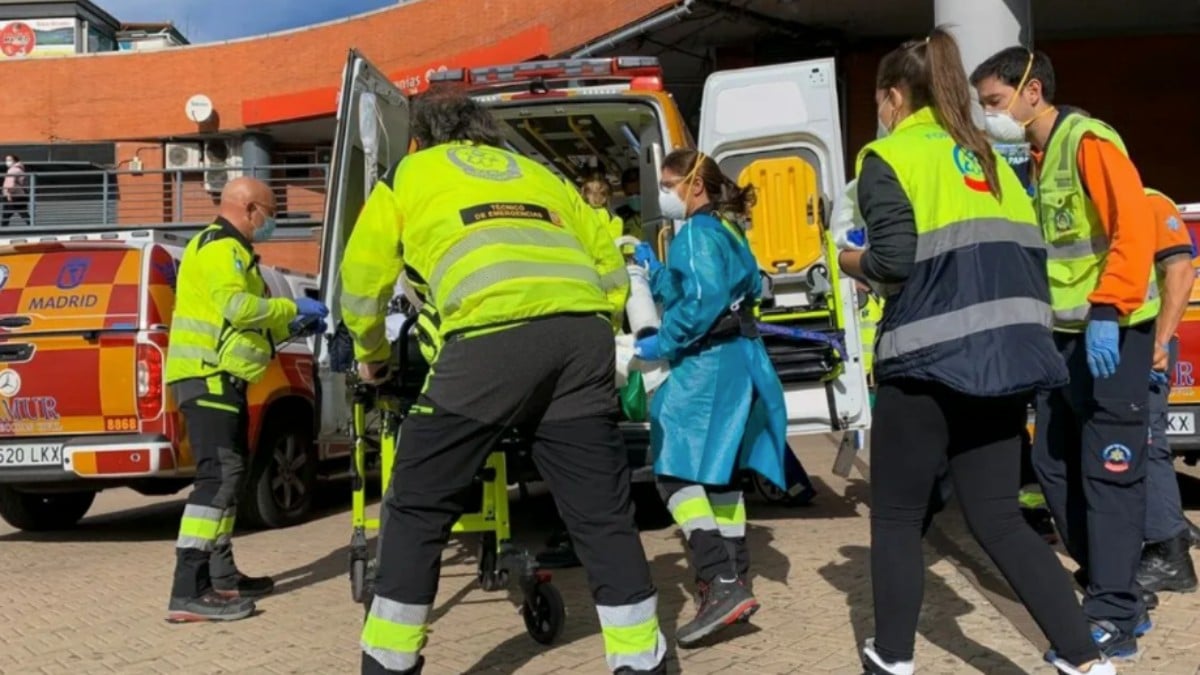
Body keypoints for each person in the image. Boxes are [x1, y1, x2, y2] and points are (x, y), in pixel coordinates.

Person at [341, 88, 665, 675]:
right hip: (581, 338)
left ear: (423, 137)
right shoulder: (541, 174)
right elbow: (610, 269)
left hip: (490, 342)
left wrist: (371, 353)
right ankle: (642, 662)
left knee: (416, 506)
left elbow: (362, 281)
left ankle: (388, 664)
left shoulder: (411, 173)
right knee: (602, 515)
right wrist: (594, 323)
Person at [839, 29, 1114, 675]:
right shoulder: (988, 156)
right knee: (999, 518)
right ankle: (1084, 657)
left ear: (892, 96)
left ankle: (894, 657)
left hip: (927, 361)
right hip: (1007, 360)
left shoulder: (890, 155)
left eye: (879, 101)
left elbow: (895, 260)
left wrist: (851, 258)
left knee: (899, 517)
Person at [973, 46, 1159, 658]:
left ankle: (1114, 617)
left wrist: (1107, 309)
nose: (990, 115)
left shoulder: (1088, 141)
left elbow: (1133, 228)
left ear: (1033, 91)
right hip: (1063, 339)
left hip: (1112, 333)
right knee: (1053, 466)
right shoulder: (1035, 157)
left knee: (1109, 474)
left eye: (995, 103)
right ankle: (1113, 588)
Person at [631, 148, 788, 648]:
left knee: (674, 471)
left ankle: (719, 582)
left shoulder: (697, 233)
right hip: (740, 357)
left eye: (668, 183)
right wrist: (655, 270)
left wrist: (663, 341)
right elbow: (701, 287)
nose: (665, 192)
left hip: (707, 362)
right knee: (719, 474)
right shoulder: (725, 229)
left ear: (694, 185)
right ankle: (736, 579)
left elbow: (698, 302)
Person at [163, 177, 329, 623]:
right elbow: (237, 308)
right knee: (217, 479)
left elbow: (246, 321)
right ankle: (189, 588)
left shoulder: (235, 251)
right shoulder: (221, 247)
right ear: (250, 208)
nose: (270, 223)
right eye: (270, 213)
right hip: (209, 376)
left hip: (222, 377)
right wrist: (293, 309)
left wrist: (292, 327)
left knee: (229, 477)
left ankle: (221, 576)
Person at [1136, 188, 1198, 598]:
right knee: (1149, 442)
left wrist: (1159, 341)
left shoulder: (1148, 201)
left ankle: (1169, 550)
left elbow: (1181, 269)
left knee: (1147, 442)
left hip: (1141, 343)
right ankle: (1172, 526)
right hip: (1136, 341)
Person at [615, 167, 645, 240]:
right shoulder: (620, 217)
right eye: (630, 194)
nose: (634, 198)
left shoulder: (656, 214)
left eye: (638, 193)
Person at [2, 154, 30, 227]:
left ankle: (3, 229)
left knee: (6, 214)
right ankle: (31, 225)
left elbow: (10, 183)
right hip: (20, 194)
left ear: (15, 161)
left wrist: (8, 194)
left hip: (13, 195)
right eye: (6, 160)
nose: (7, 162)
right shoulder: (19, 169)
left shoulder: (13, 170)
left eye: (10, 160)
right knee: (23, 212)